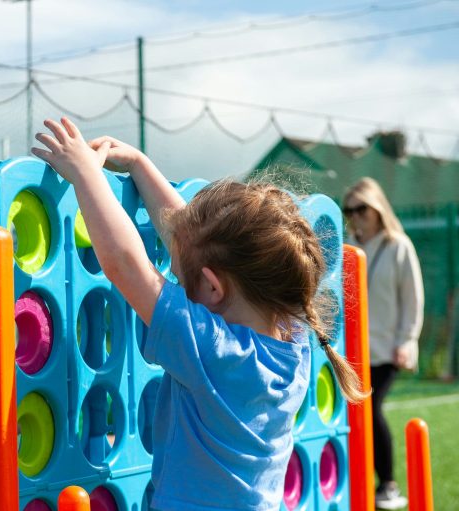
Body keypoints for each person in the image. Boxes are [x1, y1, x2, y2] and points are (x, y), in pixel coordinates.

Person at [32, 117, 367, 511]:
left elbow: (126, 264)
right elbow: (190, 243)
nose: (177, 271)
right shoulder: (294, 340)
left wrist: (87, 175)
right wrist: (140, 165)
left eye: (183, 273)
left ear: (212, 287)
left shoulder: (215, 351)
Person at [343, 177, 424, 510]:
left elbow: (413, 298)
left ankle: (388, 484)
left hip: (388, 349)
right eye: (349, 210)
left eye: (362, 208)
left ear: (377, 208)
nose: (355, 216)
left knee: (371, 410)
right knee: (353, 414)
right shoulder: (347, 244)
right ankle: (356, 480)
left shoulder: (398, 245)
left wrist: (407, 340)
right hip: (353, 350)